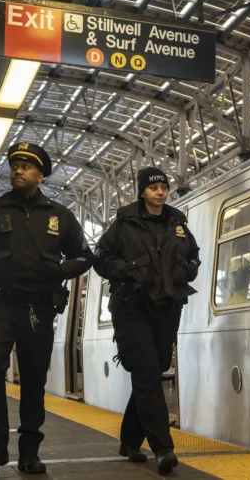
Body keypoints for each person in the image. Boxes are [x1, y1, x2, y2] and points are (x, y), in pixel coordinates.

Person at [0, 143, 93, 476]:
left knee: (33, 380)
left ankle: (30, 453)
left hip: (39, 308)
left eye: (27, 167)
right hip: (0, 303)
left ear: (40, 175)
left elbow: (86, 256)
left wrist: (59, 271)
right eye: (15, 165)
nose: (18, 170)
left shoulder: (60, 216)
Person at [93, 167, 201, 474]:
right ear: (143, 192)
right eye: (154, 187)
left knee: (152, 371)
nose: (160, 192)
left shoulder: (177, 223)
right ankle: (162, 448)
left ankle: (129, 441)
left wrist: (187, 271)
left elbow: (193, 254)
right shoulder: (124, 223)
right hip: (132, 307)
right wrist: (123, 271)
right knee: (147, 372)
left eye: (164, 187)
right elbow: (100, 257)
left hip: (167, 306)